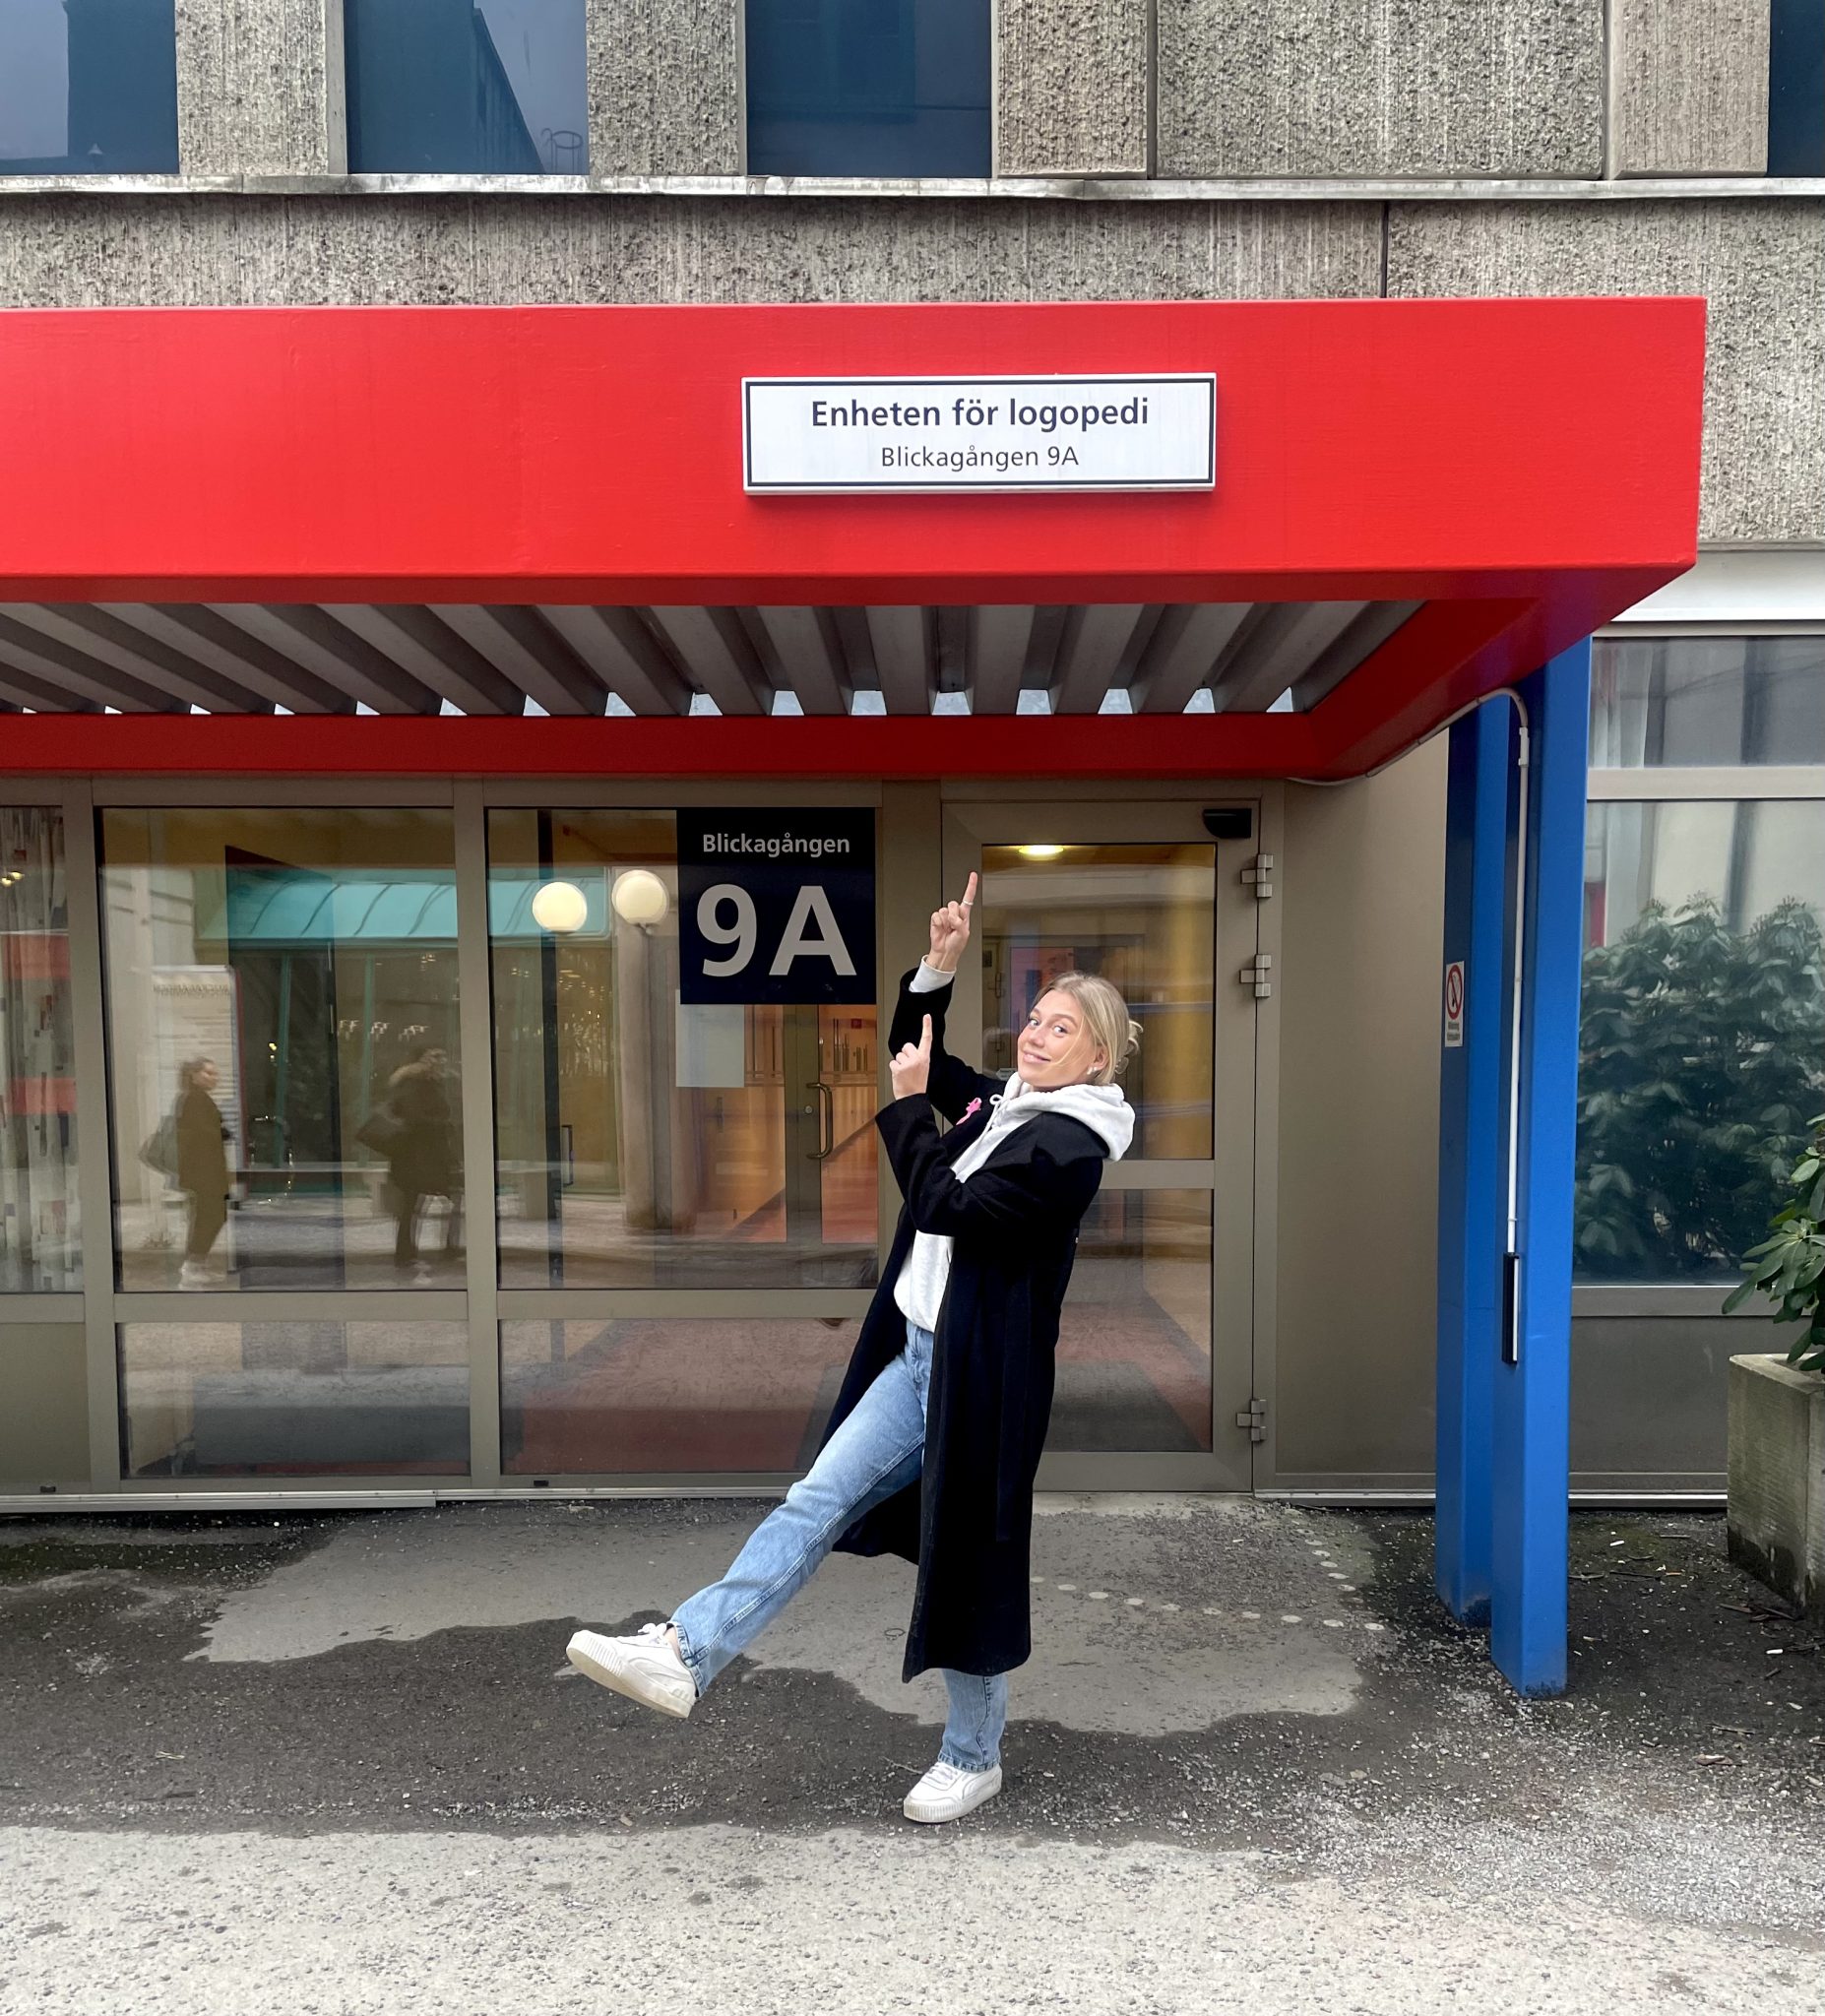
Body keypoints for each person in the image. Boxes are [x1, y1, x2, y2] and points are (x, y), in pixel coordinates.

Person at [566, 872, 1141, 1824]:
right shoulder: (1006, 1104)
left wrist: (910, 1111)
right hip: (916, 1359)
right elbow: (916, 1051)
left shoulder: (1068, 1151)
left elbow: (947, 1204)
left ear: (1098, 1059)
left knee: (969, 1564)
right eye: (1036, 1018)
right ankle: (684, 1652)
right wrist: (938, 967)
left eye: (1062, 1028)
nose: (1037, 1035)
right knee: (815, 1499)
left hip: (979, 1384)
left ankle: (973, 1756)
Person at [385, 1045, 457, 1284]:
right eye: (434, 1056)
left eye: (442, 1056)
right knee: (411, 1207)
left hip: (422, 1156)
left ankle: (416, 1252)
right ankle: (406, 1254)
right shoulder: (415, 1084)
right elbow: (415, 1118)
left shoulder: (426, 1084)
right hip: (415, 1157)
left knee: (414, 1207)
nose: (440, 1061)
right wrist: (441, 1124)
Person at [175, 1056, 231, 1290]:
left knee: (211, 1216)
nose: (214, 1077)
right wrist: (220, 1131)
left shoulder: (197, 1099)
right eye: (208, 1073)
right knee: (211, 1216)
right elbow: (202, 1133)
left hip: (207, 1169)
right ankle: (192, 1267)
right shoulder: (194, 1100)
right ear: (194, 1075)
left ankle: (197, 1265)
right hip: (204, 1171)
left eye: (215, 1073)